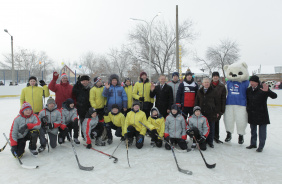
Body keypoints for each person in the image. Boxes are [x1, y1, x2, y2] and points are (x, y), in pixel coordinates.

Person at [246, 75, 277, 152]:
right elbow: (247, 100)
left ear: (257, 82)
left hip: (262, 113)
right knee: (253, 130)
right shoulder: (248, 90)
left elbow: (274, 96)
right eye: (251, 81)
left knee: (262, 132)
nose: (252, 83)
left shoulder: (263, 89)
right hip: (252, 113)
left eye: (253, 82)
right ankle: (253, 144)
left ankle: (261, 146)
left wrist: (268, 91)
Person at [195, 78, 220, 148]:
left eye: (208, 82)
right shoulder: (199, 91)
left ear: (210, 83)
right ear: (202, 83)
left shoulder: (214, 91)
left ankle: (210, 141)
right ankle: (204, 140)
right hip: (202, 113)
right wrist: (196, 110)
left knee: (211, 128)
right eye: (205, 82)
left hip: (211, 113)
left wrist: (217, 111)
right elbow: (196, 101)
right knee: (203, 128)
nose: (206, 83)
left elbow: (217, 102)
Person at [210, 72, 226, 143]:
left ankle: (216, 137)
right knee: (210, 123)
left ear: (218, 77)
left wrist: (222, 109)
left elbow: (223, 99)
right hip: (209, 107)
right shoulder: (209, 85)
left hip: (218, 107)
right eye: (214, 76)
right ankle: (210, 136)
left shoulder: (222, 86)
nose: (215, 77)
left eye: (216, 76)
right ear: (212, 77)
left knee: (216, 123)